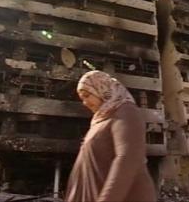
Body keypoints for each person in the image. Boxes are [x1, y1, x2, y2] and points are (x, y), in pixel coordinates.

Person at [65, 70, 156, 202]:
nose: (85, 103)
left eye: (87, 95)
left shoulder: (126, 112)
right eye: (82, 99)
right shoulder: (100, 120)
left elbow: (127, 159)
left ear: (101, 89)